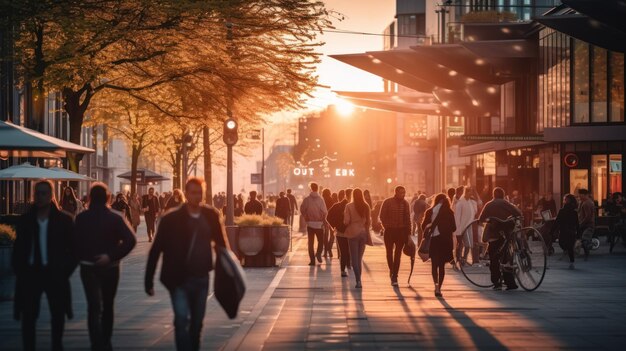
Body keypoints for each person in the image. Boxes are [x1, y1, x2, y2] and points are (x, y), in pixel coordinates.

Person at [145, 178, 229, 351]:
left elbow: (222, 245)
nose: (197, 196)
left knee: (197, 323)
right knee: (182, 319)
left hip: (201, 277)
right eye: (193, 193)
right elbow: (157, 248)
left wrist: (229, 272)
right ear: (186, 193)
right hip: (178, 278)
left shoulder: (211, 215)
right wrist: (148, 280)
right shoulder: (171, 219)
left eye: (200, 193)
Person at [12, 180, 76, 351]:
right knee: (29, 315)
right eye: (37, 193)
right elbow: (19, 249)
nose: (39, 197)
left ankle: (57, 344)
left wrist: (64, 271)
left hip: (54, 272)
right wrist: (20, 270)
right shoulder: (26, 221)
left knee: (57, 313)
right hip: (31, 273)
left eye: (44, 193)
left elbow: (74, 250)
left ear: (51, 196)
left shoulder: (64, 220)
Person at [74, 183, 136, 351]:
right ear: (108, 198)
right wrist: (111, 256)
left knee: (93, 306)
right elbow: (131, 240)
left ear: (90, 198)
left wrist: (81, 257)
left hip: (88, 267)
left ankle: (96, 342)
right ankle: (106, 340)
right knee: (108, 305)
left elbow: (73, 243)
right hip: (111, 267)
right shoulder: (115, 218)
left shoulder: (81, 218)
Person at [478, 187, 522, 290]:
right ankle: (510, 283)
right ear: (503, 195)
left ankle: (497, 283)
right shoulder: (506, 203)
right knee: (506, 259)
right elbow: (518, 213)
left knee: (494, 259)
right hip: (506, 236)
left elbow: (481, 219)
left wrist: (489, 220)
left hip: (494, 235)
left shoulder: (489, 204)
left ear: (493, 195)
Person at [422, 193, 456, 297]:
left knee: (434, 265)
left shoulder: (430, 211)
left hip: (434, 240)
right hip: (445, 241)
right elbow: (454, 228)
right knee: (441, 266)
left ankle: (436, 286)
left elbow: (423, 226)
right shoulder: (450, 212)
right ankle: (439, 289)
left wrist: (431, 227)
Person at [379, 186, 411, 286]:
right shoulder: (387, 202)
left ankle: (394, 275)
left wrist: (408, 234)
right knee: (389, 253)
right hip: (389, 231)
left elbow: (408, 219)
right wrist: (386, 226)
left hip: (401, 232)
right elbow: (382, 216)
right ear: (396, 192)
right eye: (401, 192)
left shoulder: (406, 204)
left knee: (398, 254)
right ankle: (392, 270)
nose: (403, 194)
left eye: (404, 192)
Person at [343, 188, 372, 289]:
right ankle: (359, 279)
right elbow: (369, 221)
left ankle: (358, 281)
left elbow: (346, 221)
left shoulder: (349, 206)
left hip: (352, 233)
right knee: (359, 259)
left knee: (354, 259)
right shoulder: (366, 206)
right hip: (363, 233)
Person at [300, 182, 328, 266]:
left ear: (311, 188)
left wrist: (306, 217)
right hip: (319, 224)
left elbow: (302, 209)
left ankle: (312, 260)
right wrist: (323, 219)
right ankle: (319, 253)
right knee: (321, 241)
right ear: (318, 188)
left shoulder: (306, 199)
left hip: (310, 224)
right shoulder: (321, 199)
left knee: (310, 243)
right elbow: (325, 212)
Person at [549, 194, 579, 269]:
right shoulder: (574, 212)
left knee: (562, 243)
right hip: (572, 232)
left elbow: (557, 222)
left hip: (563, 231)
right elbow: (577, 223)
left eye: (564, 200)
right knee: (570, 247)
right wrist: (578, 233)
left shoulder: (562, 211)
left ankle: (569, 257)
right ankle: (571, 261)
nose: (563, 201)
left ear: (567, 201)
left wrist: (551, 231)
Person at [327, 189, 351, 276]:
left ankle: (343, 269)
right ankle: (347, 265)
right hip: (351, 232)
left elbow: (328, 217)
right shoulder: (352, 206)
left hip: (340, 232)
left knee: (344, 250)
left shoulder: (337, 206)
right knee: (347, 250)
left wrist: (335, 226)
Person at [454, 187, 477, 266]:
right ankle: (458, 259)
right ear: (466, 192)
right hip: (461, 227)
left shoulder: (471, 202)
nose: (471, 194)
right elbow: (457, 217)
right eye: (469, 192)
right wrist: (458, 229)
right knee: (460, 245)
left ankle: (464, 258)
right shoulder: (460, 203)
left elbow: (474, 211)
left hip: (468, 226)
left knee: (469, 244)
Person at [577, 188, 595, 260]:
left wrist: (581, 224)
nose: (579, 197)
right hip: (587, 225)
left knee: (584, 240)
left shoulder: (586, 203)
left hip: (588, 225)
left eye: (580, 195)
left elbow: (588, 216)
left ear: (585, 195)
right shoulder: (586, 202)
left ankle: (586, 255)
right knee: (583, 239)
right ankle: (586, 254)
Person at [322, 188, 336, 258]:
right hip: (332, 220)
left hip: (324, 220)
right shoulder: (332, 200)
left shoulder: (322, 200)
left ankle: (325, 252)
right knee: (332, 235)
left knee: (325, 236)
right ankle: (329, 249)